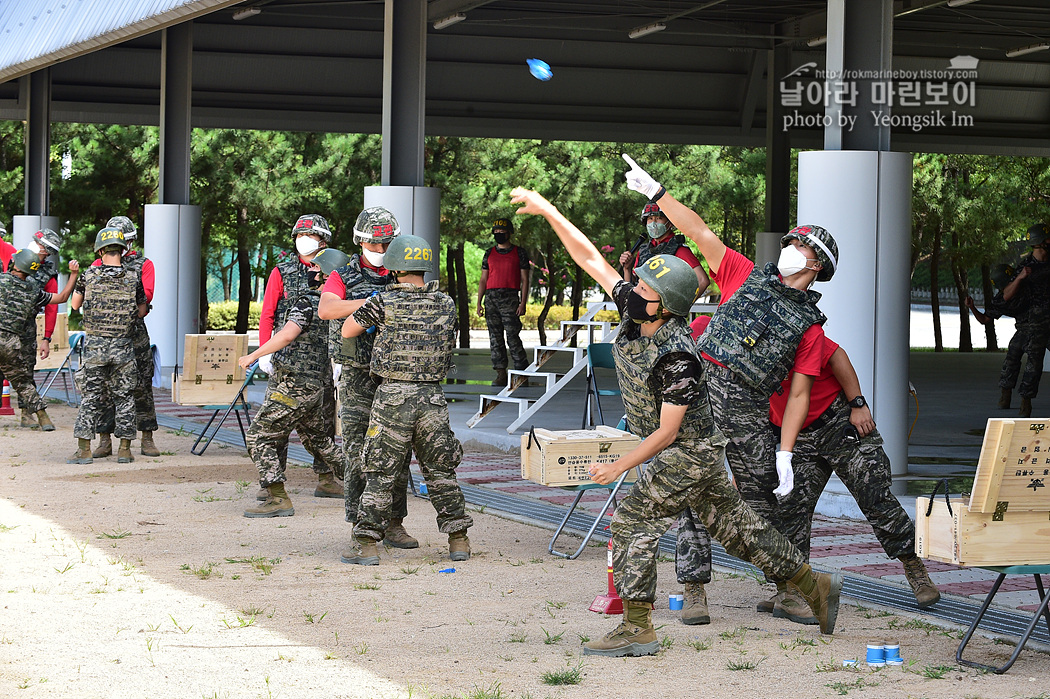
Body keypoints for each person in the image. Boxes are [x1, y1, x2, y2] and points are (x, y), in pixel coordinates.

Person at [510, 185, 842, 659]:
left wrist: (619, 465)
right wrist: (548, 210)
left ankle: (638, 627)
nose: (632, 288)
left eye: (644, 287)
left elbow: (667, 432)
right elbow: (591, 260)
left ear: (664, 304)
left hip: (687, 454)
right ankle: (816, 585)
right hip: (690, 453)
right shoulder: (638, 313)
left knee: (631, 522)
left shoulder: (677, 357)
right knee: (742, 532)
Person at [621, 154, 838, 613]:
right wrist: (658, 194)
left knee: (768, 496)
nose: (790, 246)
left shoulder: (810, 325)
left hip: (746, 408)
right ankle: (695, 590)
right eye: (791, 239)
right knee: (689, 482)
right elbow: (700, 233)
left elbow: (799, 392)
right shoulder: (744, 274)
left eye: (801, 244)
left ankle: (790, 588)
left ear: (817, 264)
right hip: (701, 386)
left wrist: (784, 451)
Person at [770, 338, 941, 617]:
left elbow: (837, 356)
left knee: (875, 496)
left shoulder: (790, 327)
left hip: (838, 422)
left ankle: (915, 569)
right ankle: (792, 588)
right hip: (796, 434)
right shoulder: (738, 345)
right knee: (790, 510)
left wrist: (857, 403)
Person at [341, 235, 473, 566]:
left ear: (394, 267)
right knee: (441, 471)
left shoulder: (382, 301)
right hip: (431, 396)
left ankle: (366, 544)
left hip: (392, 398)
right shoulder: (446, 303)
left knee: (381, 472)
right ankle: (459, 540)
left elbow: (347, 331)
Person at [316, 208, 418, 549]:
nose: (380, 247)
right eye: (374, 242)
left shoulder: (401, 273)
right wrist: (373, 303)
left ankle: (394, 524)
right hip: (358, 377)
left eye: (386, 242)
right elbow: (328, 309)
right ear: (361, 242)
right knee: (359, 451)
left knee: (397, 452)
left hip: (395, 375)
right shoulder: (343, 274)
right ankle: (362, 525)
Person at [237, 254, 346, 518]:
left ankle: (277, 496)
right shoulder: (341, 309)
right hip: (317, 386)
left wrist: (253, 355)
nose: (312, 273)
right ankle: (363, 481)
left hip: (293, 385)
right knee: (320, 441)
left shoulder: (308, 302)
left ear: (327, 274)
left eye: (317, 269)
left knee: (258, 436)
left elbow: (286, 334)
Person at [257, 214, 342, 498]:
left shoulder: (338, 271)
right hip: (286, 362)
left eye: (311, 236)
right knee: (274, 424)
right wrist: (263, 352)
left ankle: (326, 478)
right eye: (299, 236)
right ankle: (272, 483)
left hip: (322, 361)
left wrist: (340, 358)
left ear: (324, 240)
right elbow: (268, 313)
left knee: (323, 423)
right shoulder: (282, 272)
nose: (304, 241)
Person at [68, 227, 149, 464]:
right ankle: (125, 450)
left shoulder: (88, 275)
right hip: (124, 347)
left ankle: (83, 450)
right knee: (124, 397)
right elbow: (142, 310)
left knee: (91, 397)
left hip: (95, 347)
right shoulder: (134, 277)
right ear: (123, 250)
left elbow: (74, 305)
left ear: (101, 250)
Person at [89, 216, 161, 458]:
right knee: (105, 388)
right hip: (107, 335)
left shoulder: (143, 264)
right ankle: (105, 439)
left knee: (141, 384)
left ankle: (147, 436)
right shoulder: (97, 264)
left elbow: (146, 295)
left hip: (134, 334)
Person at [0, 248, 79, 430]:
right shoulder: (34, 291)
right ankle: (43, 417)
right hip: (11, 344)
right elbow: (62, 297)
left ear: (15, 264)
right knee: (22, 382)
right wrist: (73, 274)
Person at [990, 223, 1050, 418]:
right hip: (1034, 325)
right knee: (1031, 361)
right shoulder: (1026, 268)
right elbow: (1005, 295)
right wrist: (1020, 279)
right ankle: (1024, 400)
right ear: (1041, 243)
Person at [966, 263, 1030, 412]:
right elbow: (985, 320)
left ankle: (1023, 400)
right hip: (1023, 329)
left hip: (1042, 326)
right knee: (1011, 359)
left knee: (1032, 365)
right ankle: (1005, 395)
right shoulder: (1001, 299)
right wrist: (972, 307)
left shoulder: (1028, 286)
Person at [476, 218, 530, 386]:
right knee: (495, 338)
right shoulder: (489, 253)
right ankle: (500, 373)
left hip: (510, 298)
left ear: (509, 233)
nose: (498, 235)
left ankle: (522, 373)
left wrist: (523, 303)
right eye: (496, 233)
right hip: (491, 299)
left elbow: (525, 279)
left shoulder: (519, 253)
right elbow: (483, 279)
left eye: (502, 232)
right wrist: (479, 302)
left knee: (512, 336)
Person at [18, 229, 62, 428]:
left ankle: (27, 413)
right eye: (36, 242)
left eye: (40, 245)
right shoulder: (13, 260)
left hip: (25, 328)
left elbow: (52, 308)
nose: (36, 247)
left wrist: (46, 338)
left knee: (25, 371)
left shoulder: (48, 276)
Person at [619, 201, 710, 293]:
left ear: (670, 222)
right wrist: (627, 269)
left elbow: (702, 281)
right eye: (650, 218)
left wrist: (680, 306)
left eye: (659, 218)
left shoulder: (680, 250)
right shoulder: (643, 250)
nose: (653, 223)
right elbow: (634, 284)